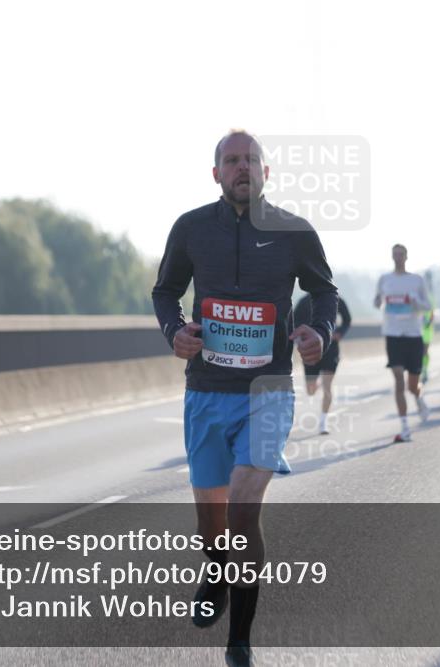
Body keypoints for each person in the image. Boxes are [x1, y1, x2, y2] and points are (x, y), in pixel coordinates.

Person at [151, 130, 337, 667]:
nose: (242, 167)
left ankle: (240, 640)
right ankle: (216, 569)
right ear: (216, 173)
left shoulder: (293, 232)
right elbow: (165, 291)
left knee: (242, 505)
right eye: (231, 160)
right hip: (206, 391)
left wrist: (316, 330)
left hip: (268, 389)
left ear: (266, 172)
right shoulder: (190, 229)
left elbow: (324, 290)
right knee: (213, 525)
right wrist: (175, 332)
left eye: (251, 159)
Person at [375, 244, 431, 442]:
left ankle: (420, 398)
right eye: (395, 254)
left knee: (412, 385)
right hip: (393, 335)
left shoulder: (416, 280)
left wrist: (415, 301)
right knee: (398, 380)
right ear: (392, 257)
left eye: (401, 254)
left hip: (413, 335)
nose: (398, 257)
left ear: (407, 256)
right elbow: (377, 302)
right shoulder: (385, 279)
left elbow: (428, 306)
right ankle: (405, 427)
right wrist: (379, 299)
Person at [293, 294, 352, 434]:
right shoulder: (303, 301)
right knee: (311, 390)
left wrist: (340, 333)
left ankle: (323, 423)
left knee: (327, 386)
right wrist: (299, 339)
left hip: (331, 348)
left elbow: (347, 319)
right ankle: (316, 384)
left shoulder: (335, 299)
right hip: (310, 349)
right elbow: (293, 321)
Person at [420, 271, 436, 384]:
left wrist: (428, 322)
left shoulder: (430, 297)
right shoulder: (416, 295)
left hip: (427, 329)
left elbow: (432, 313)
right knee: (417, 352)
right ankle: (419, 369)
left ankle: (425, 369)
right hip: (416, 329)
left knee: (425, 351)